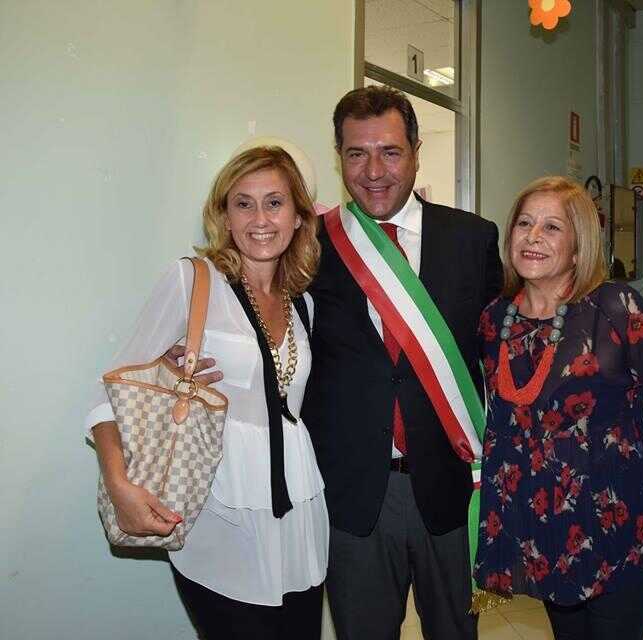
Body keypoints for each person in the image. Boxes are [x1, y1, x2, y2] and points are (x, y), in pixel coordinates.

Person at [85, 145, 328, 640]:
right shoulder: (193, 281)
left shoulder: (303, 303)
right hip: (219, 511)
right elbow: (108, 394)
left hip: (299, 513)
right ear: (224, 216)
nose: (260, 219)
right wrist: (119, 484)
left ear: (300, 216)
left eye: (275, 203)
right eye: (243, 204)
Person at [302, 86, 503, 639]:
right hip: (354, 494)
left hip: (450, 485)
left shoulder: (472, 239)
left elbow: (501, 353)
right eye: (356, 154)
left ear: (416, 151)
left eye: (390, 152)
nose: (373, 172)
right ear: (339, 156)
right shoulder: (311, 245)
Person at [474, 176, 643, 639]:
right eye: (524, 224)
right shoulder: (495, 318)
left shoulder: (616, 309)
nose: (533, 237)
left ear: (579, 248)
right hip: (546, 532)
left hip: (615, 529)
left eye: (552, 227)